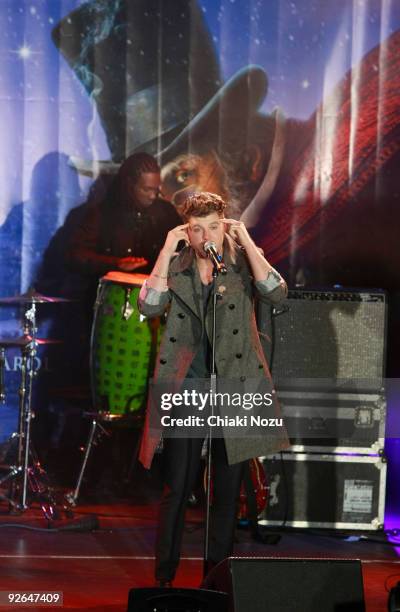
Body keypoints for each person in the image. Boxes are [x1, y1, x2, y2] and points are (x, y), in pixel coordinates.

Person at [137, 192, 289, 586]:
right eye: (197, 229)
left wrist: (249, 243)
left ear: (226, 226)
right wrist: (168, 248)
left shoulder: (239, 264)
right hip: (188, 385)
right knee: (178, 486)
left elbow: (276, 294)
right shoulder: (179, 264)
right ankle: (164, 582)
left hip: (235, 385)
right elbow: (149, 307)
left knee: (226, 492)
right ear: (188, 230)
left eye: (214, 227)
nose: (206, 236)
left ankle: (215, 583)